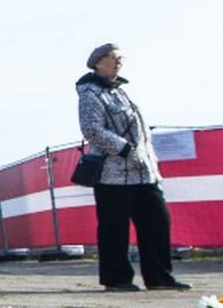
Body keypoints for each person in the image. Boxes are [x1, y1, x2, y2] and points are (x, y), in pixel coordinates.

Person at [77, 44, 190, 291]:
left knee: (157, 223)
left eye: (120, 58)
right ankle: (116, 278)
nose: (118, 62)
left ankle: (159, 277)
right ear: (97, 63)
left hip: (144, 171)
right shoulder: (90, 94)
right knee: (114, 228)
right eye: (112, 58)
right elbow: (92, 129)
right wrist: (124, 148)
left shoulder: (120, 92)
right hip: (113, 175)